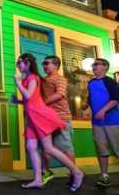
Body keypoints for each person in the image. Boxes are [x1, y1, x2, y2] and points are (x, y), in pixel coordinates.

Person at [12, 53, 83, 192]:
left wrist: (18, 84)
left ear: (28, 64)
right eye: (18, 62)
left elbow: (29, 95)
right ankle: (38, 179)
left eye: (22, 62)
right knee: (31, 147)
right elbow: (31, 99)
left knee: (50, 148)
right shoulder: (36, 79)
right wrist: (19, 101)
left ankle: (76, 172)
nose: (19, 65)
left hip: (41, 116)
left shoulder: (33, 77)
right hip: (32, 116)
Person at [82, 58, 119, 189]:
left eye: (96, 64)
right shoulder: (90, 83)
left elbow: (115, 100)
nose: (93, 66)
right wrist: (86, 105)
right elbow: (91, 98)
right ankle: (104, 176)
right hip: (97, 123)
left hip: (113, 121)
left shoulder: (110, 82)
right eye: (93, 64)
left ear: (105, 67)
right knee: (101, 150)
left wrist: (102, 111)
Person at [40, 55, 76, 185]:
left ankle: (74, 173)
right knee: (45, 147)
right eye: (43, 63)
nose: (44, 66)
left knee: (66, 148)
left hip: (61, 118)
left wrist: (42, 103)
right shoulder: (43, 80)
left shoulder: (60, 79)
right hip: (47, 118)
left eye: (47, 63)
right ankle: (46, 172)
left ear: (56, 65)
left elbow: (60, 94)